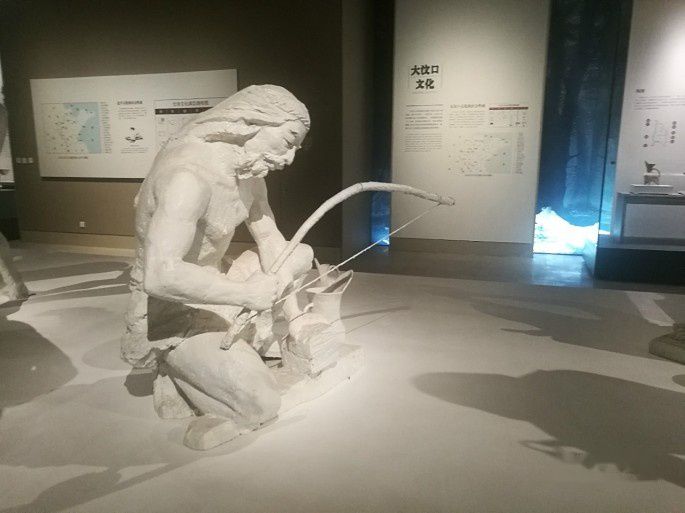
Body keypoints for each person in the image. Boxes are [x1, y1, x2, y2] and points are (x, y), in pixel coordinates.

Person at [121, 85, 315, 443]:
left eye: (296, 149)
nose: (289, 159)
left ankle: (239, 346)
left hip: (217, 285)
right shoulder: (188, 177)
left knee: (301, 253)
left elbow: (272, 241)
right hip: (172, 310)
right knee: (262, 402)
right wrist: (246, 294)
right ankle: (178, 374)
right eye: (288, 141)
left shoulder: (250, 175)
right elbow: (161, 275)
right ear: (252, 123)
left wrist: (296, 318)